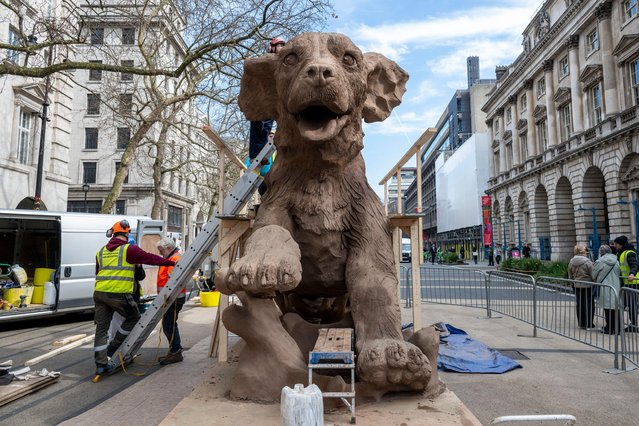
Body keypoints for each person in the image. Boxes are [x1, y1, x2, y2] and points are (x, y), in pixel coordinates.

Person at [93, 220, 175, 375]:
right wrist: (170, 262)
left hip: (99, 294)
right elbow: (150, 258)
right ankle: (113, 347)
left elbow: (98, 273)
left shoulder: (101, 251)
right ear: (126, 233)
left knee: (101, 329)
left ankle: (100, 364)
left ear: (113, 234)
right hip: (118, 294)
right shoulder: (128, 250)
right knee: (134, 318)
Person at [156, 237, 186, 364]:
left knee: (168, 325)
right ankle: (175, 349)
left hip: (173, 297)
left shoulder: (174, 259)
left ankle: (175, 352)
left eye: (161, 250)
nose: (160, 253)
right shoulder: (172, 258)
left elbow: (171, 280)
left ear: (168, 248)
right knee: (170, 324)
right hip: (171, 297)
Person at [592, 245, 621, 334]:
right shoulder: (616, 260)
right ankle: (617, 328)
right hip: (616, 285)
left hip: (605, 286)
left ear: (601, 252)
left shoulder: (599, 261)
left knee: (607, 307)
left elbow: (594, 275)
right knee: (615, 307)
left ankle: (609, 328)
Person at [614, 235, 639, 332]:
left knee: (631, 305)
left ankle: (633, 325)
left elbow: (635, 265)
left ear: (621, 244)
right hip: (625, 283)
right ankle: (626, 324)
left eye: (616, 244)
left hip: (633, 282)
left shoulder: (629, 253)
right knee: (624, 304)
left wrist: (632, 273)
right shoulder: (620, 253)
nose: (615, 245)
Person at [568, 244, 595, 329]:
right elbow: (593, 274)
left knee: (579, 304)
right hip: (587, 285)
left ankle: (581, 322)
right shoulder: (587, 262)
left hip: (576, 285)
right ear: (583, 252)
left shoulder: (571, 261)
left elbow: (570, 273)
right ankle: (589, 322)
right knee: (589, 304)